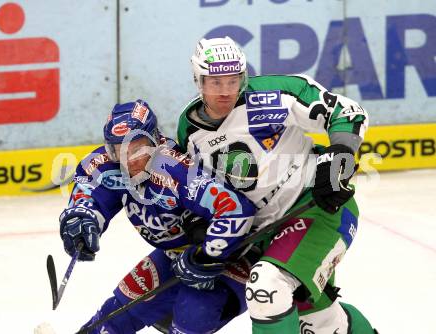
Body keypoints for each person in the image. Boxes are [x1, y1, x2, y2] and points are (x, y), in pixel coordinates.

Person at [176, 36, 377, 333]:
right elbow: (199, 186)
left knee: (266, 288)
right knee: (316, 318)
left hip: (318, 208)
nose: (225, 91)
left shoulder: (275, 93)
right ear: (198, 80)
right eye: (215, 82)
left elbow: (348, 113)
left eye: (233, 81)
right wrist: (199, 223)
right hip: (264, 232)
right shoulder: (189, 128)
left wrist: (338, 161)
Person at [59, 99, 258, 333]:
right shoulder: (107, 166)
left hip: (230, 255)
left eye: (137, 148)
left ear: (154, 139)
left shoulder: (176, 169)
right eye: (118, 150)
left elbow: (235, 209)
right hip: (174, 256)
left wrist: (208, 254)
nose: (129, 159)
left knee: (192, 315)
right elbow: (89, 191)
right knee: (116, 315)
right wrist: (82, 218)